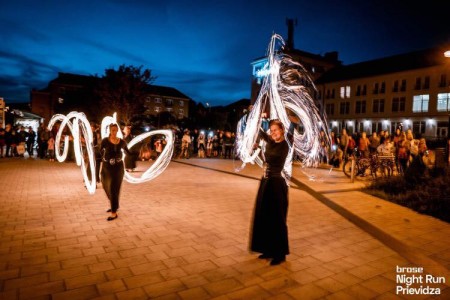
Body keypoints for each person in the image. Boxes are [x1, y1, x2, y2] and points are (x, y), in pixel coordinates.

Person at [250, 119, 290, 266]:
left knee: (277, 220)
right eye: (271, 130)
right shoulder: (271, 141)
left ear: (282, 131)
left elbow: (274, 159)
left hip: (276, 184)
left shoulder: (284, 146)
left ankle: (279, 254)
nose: (273, 133)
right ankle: (267, 249)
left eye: (276, 130)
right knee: (264, 216)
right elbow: (260, 132)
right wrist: (254, 116)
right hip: (266, 183)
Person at [100, 124, 131, 221]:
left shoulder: (122, 142)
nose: (114, 132)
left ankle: (114, 212)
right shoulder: (105, 141)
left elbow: (128, 152)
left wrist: (135, 152)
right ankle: (115, 205)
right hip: (106, 167)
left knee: (113, 189)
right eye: (112, 130)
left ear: (117, 131)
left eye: (115, 130)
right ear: (109, 130)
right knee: (106, 187)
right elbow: (100, 151)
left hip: (118, 168)